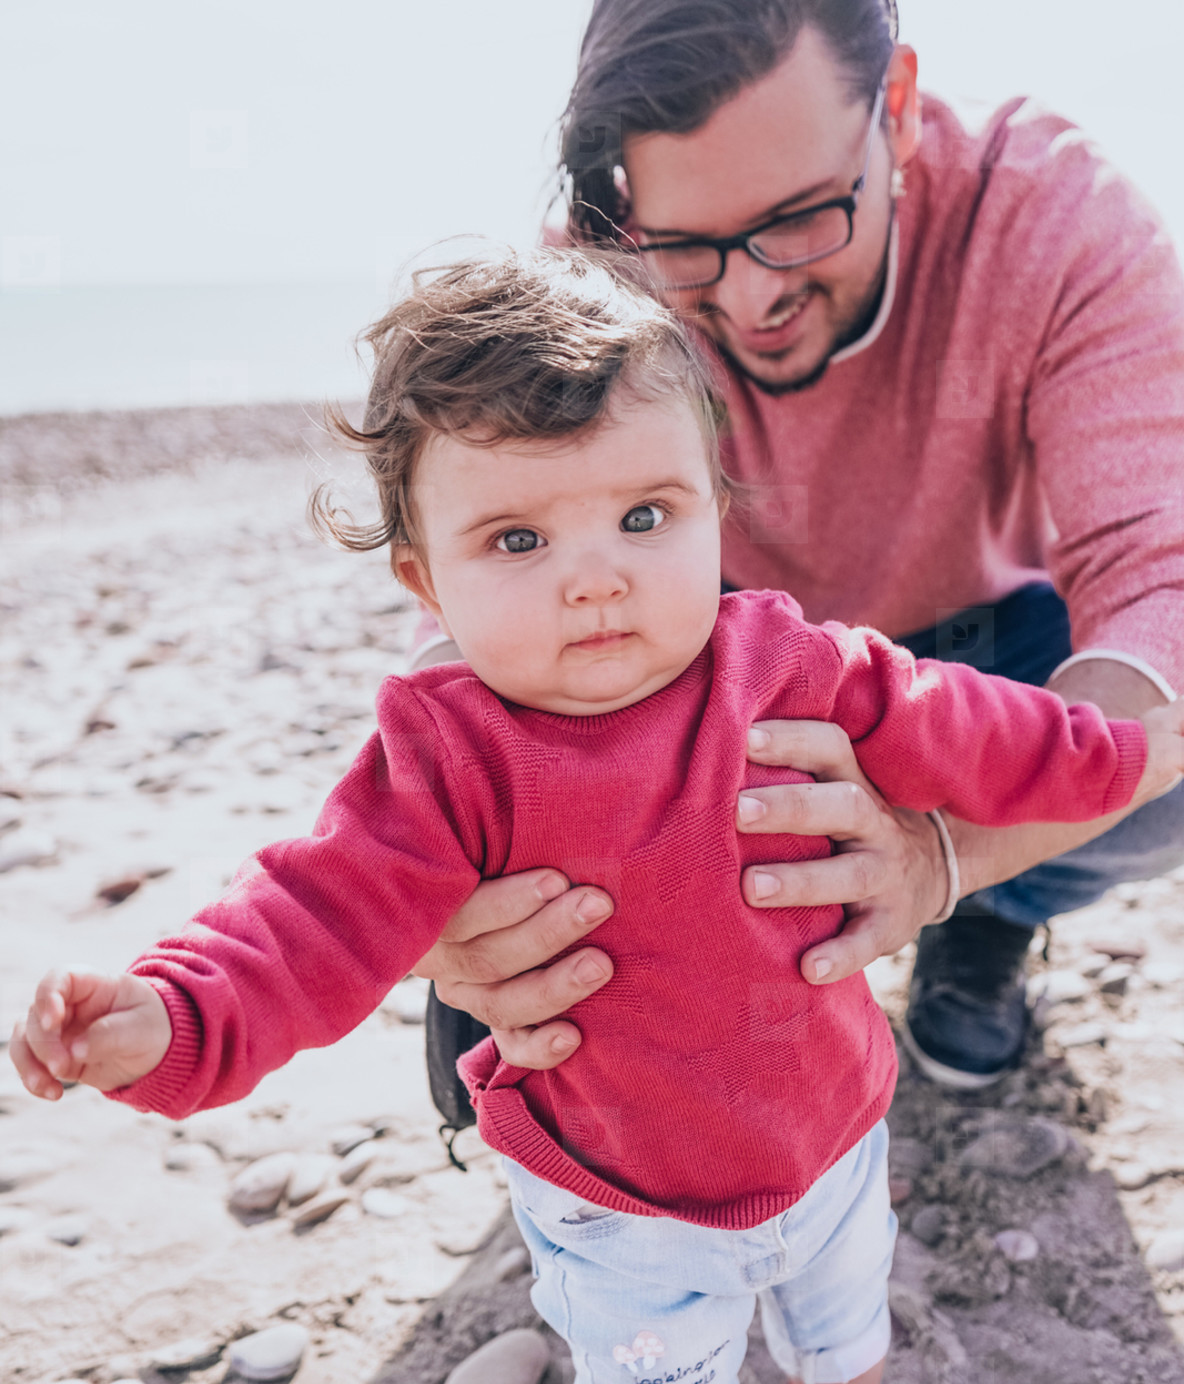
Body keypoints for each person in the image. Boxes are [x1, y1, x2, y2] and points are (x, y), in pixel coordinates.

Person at [13, 250, 1183, 1384]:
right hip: (625, 1196)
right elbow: (304, 913)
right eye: (516, 538)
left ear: (714, 508)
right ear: (420, 577)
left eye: (645, 513)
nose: (597, 573)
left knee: (845, 1312)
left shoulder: (784, 662)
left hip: (827, 1127)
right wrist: (176, 1012)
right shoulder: (446, 757)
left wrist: (1121, 747)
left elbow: (972, 726)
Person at [412, 0, 1184, 1104]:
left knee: (1155, 760)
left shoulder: (1053, 217)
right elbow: (481, 601)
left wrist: (946, 856)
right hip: (718, 672)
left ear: (899, 112)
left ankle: (987, 913)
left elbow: (1159, 577)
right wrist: (452, 879)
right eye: (686, 247)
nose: (751, 295)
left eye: (802, 217)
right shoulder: (593, 281)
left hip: (991, 657)